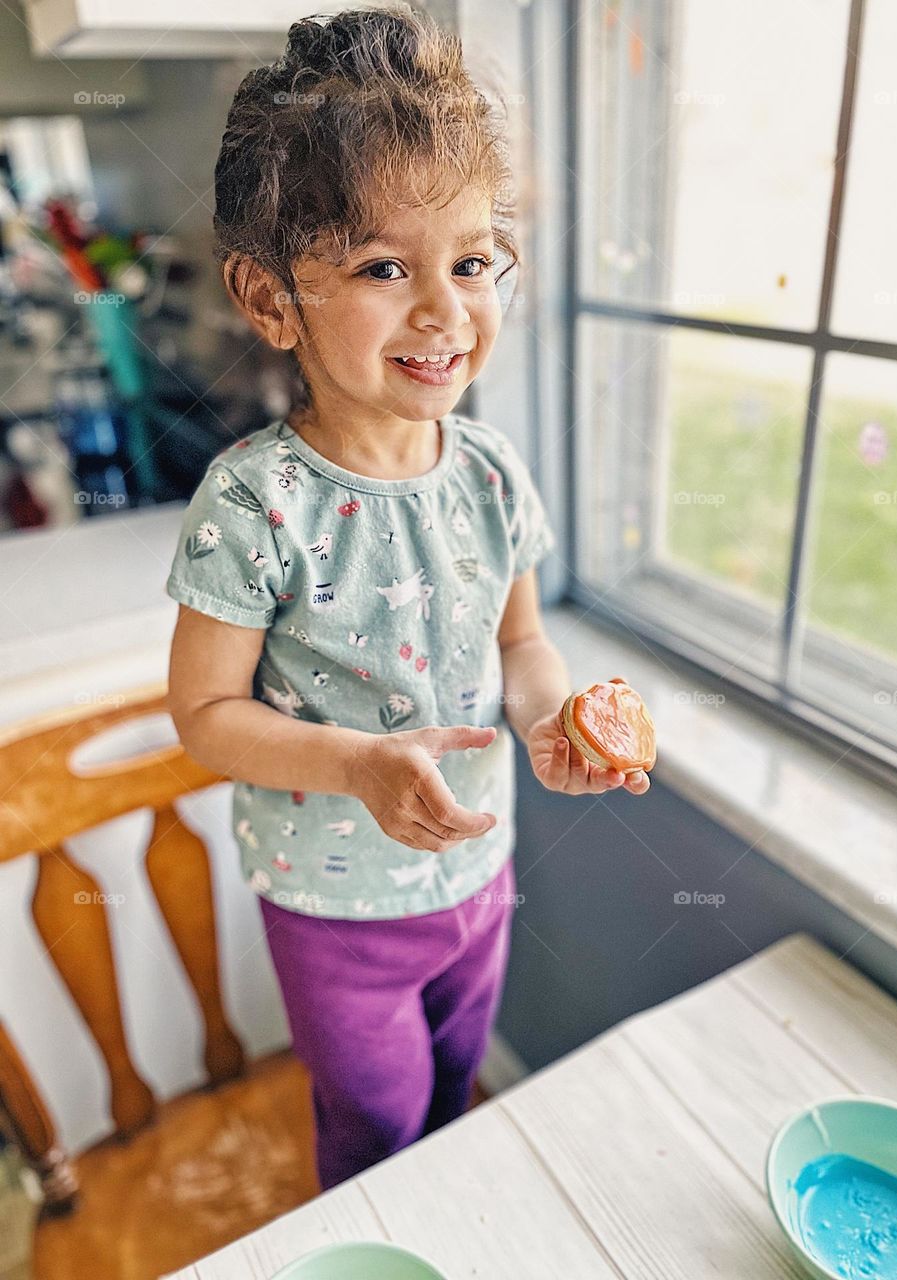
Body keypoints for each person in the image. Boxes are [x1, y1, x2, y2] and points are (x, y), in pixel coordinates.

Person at [164, 4, 651, 1192]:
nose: (444, 311)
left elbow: (523, 641)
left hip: (479, 883)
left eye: (473, 260)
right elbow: (206, 717)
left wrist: (550, 719)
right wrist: (359, 765)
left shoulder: (490, 470)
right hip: (337, 913)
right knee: (379, 1135)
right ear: (272, 298)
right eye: (385, 266)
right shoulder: (254, 501)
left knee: (458, 1098)